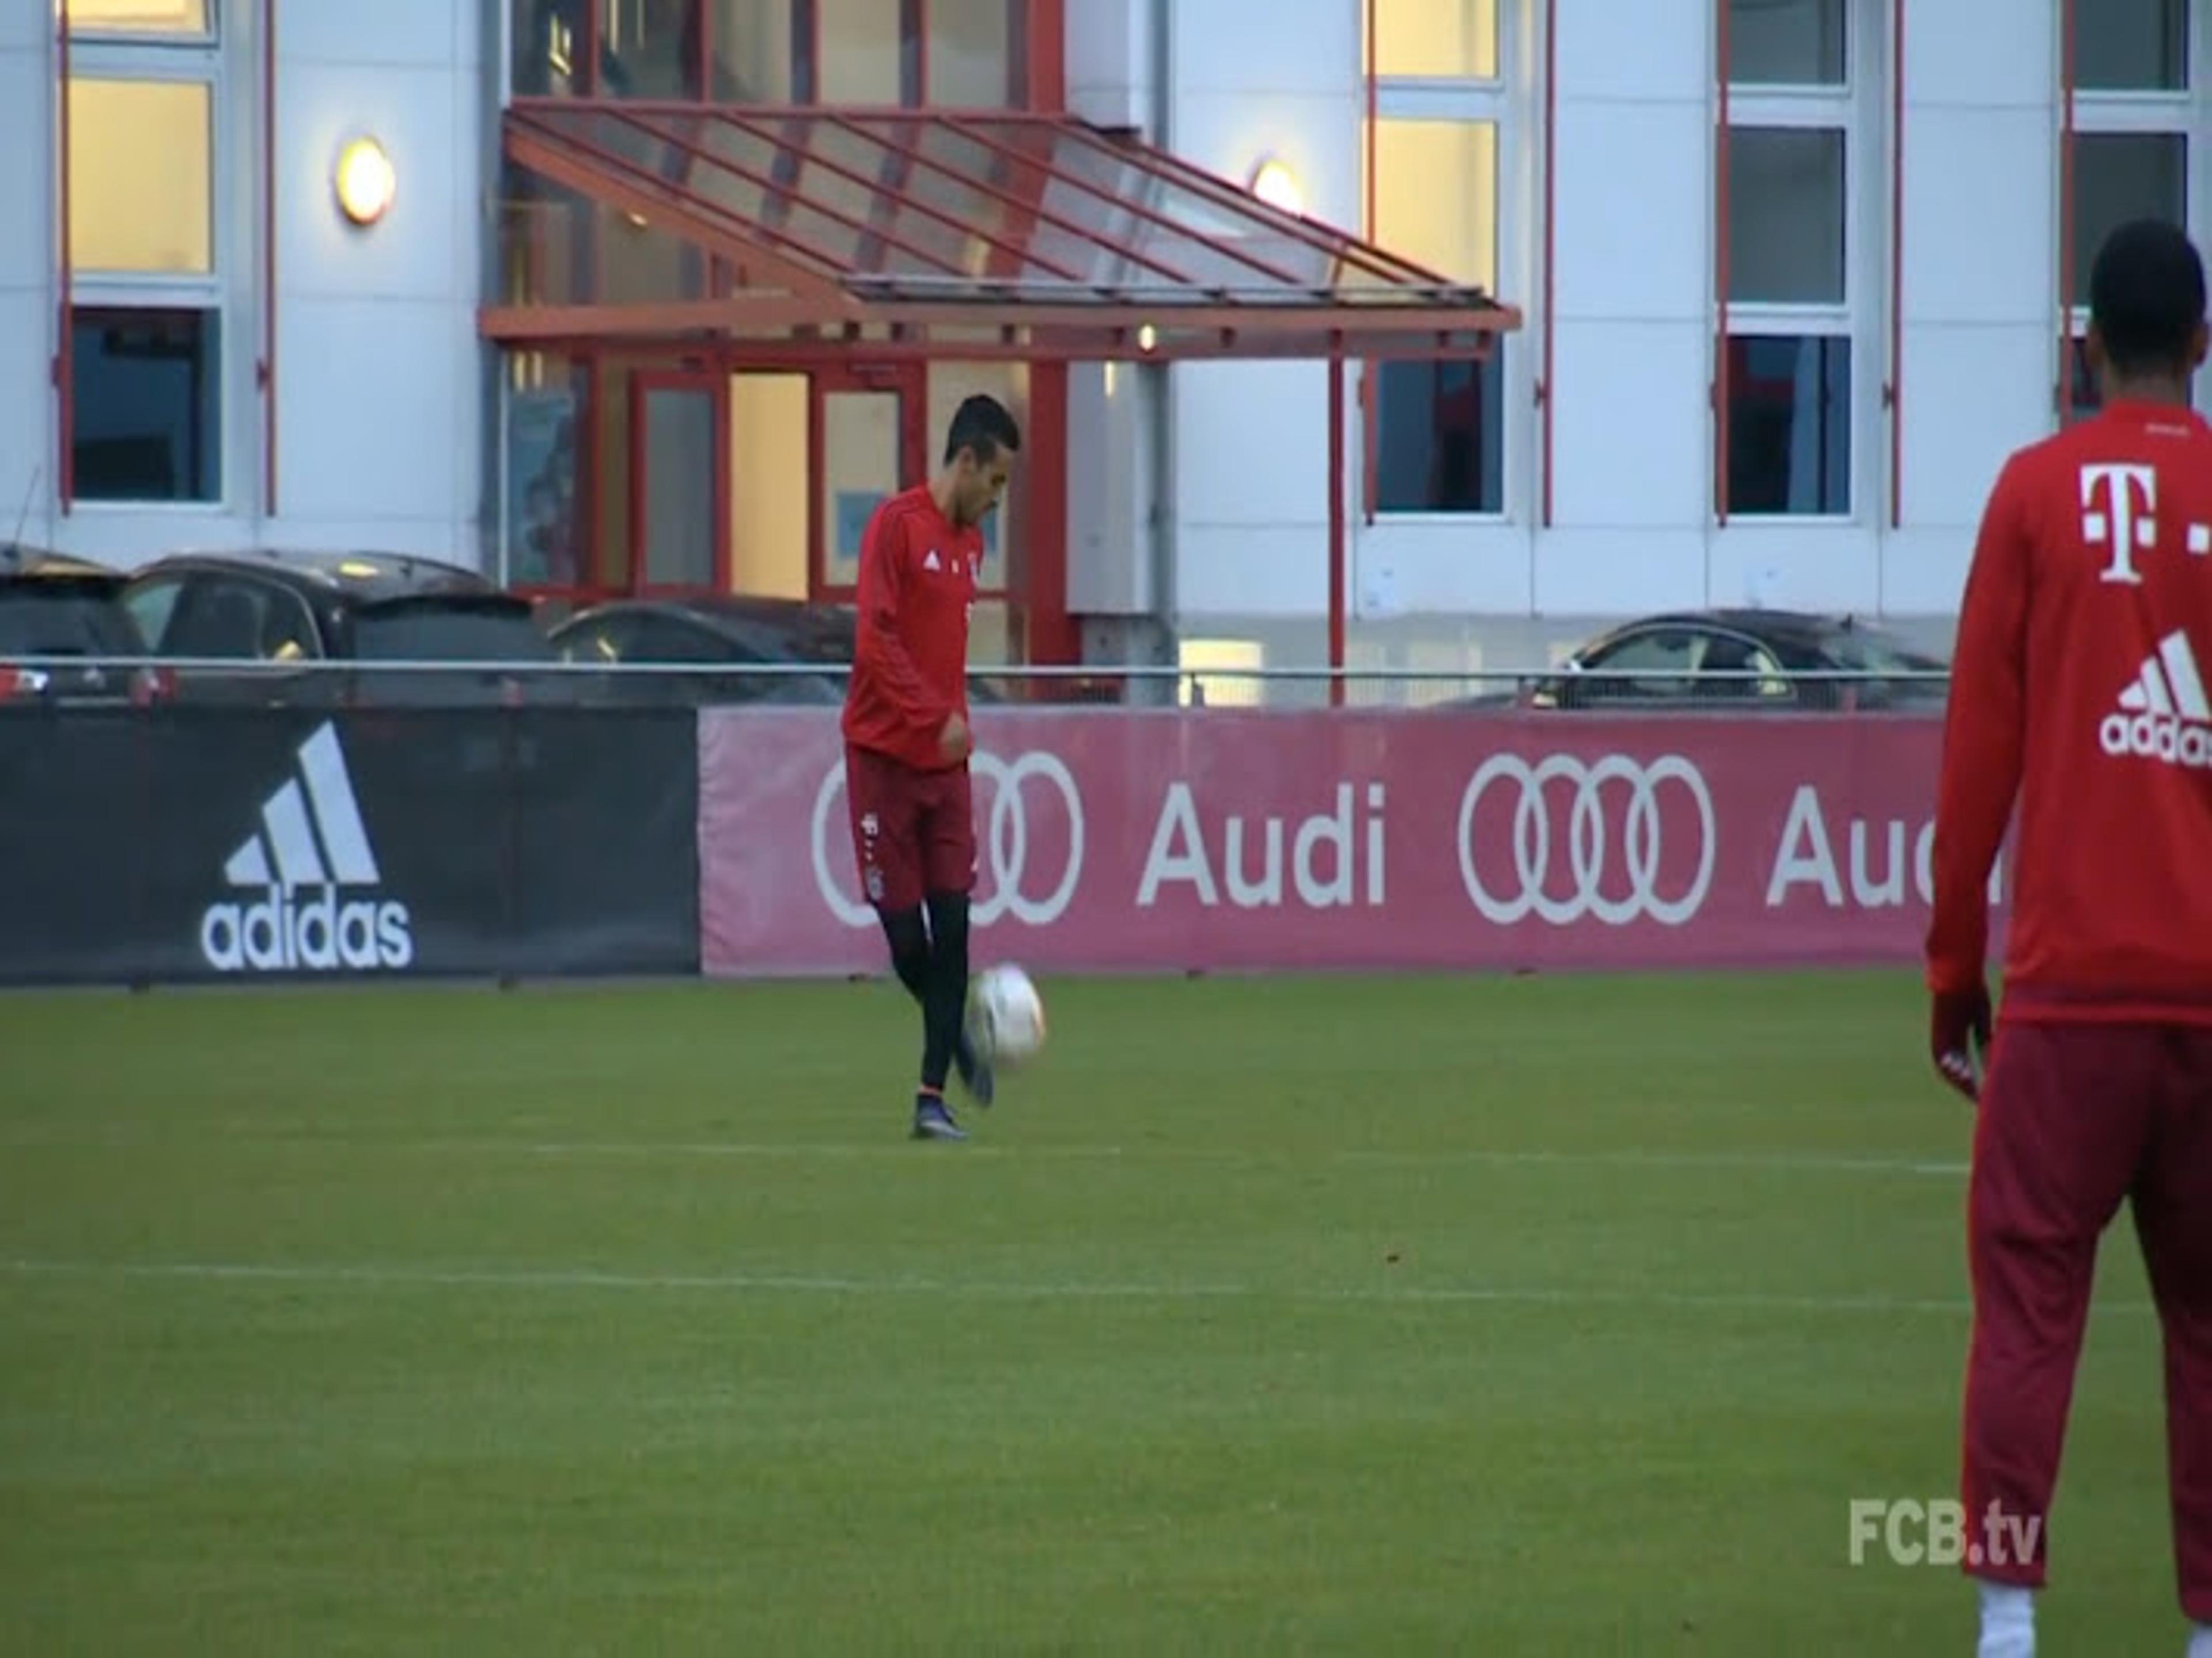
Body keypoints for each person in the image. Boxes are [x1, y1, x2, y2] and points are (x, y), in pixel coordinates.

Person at [1926, 217, 2212, 1658]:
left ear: (2087, 342)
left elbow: (1979, 749)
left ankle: (2008, 1620)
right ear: (2203, 347)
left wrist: (1948, 969)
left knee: (2030, 1306)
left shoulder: (2034, 495)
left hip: (2068, 992)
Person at [842, 393, 1021, 1142]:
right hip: (884, 760)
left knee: (954, 928)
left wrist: (954, 721)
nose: (998, 499)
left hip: (946, 769)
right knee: (908, 943)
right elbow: (875, 647)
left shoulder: (972, 547)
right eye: (998, 482)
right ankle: (961, 1041)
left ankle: (930, 1096)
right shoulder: (896, 524)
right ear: (968, 460)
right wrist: (933, 715)